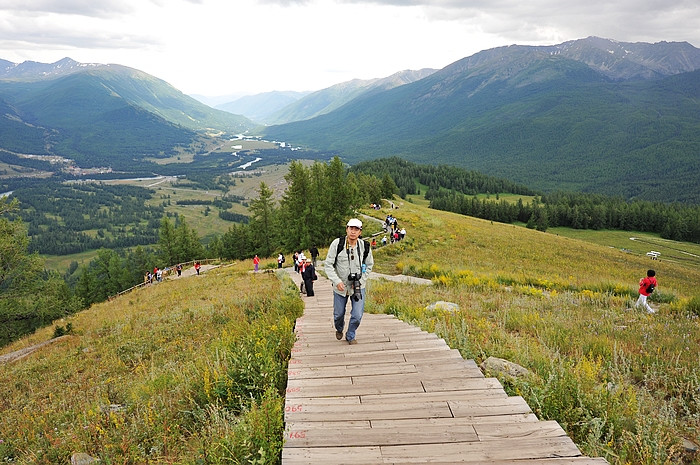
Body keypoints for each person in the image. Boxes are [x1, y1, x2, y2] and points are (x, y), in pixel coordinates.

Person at [325, 218, 374, 345]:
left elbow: (369, 265)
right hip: (340, 287)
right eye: (351, 228)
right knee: (338, 314)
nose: (353, 232)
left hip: (358, 286)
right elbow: (328, 265)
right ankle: (339, 328)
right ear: (346, 229)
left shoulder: (365, 246)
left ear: (360, 232)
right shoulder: (337, 244)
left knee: (357, 315)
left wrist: (361, 280)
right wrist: (336, 281)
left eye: (356, 229)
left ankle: (350, 335)